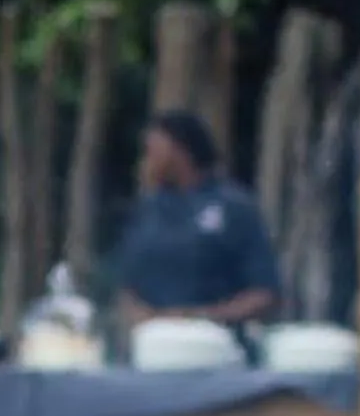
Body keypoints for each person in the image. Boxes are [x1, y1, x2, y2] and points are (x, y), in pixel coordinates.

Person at [111, 110, 281, 331]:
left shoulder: (235, 209)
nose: (145, 161)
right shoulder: (147, 210)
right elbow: (127, 287)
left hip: (214, 341)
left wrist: (200, 317)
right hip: (152, 341)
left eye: (152, 151)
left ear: (180, 151)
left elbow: (265, 293)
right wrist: (142, 318)